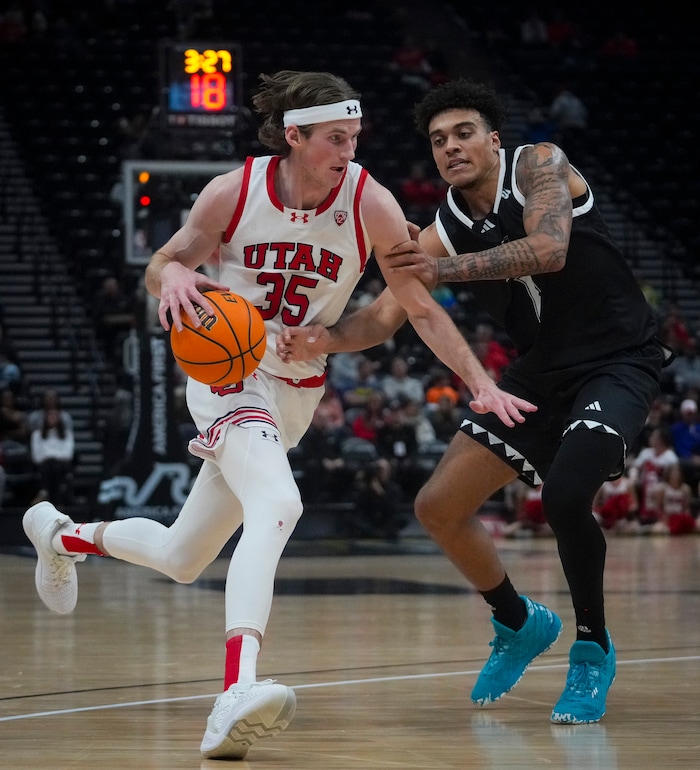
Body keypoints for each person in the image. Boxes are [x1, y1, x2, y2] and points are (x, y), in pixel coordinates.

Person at [22, 70, 533, 761]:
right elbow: (167, 263)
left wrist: (480, 382)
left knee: (183, 556)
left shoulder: (371, 203)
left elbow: (416, 306)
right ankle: (237, 689)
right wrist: (169, 273)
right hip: (225, 371)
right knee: (280, 505)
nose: (348, 151)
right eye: (334, 139)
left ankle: (61, 535)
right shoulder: (234, 190)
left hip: (296, 388)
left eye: (354, 137)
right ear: (294, 137)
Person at [279, 78, 672, 725]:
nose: (451, 147)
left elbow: (549, 249)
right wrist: (318, 339)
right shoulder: (446, 227)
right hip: (540, 374)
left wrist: (440, 271)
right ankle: (518, 622)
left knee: (567, 496)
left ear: (494, 139)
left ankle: (592, 648)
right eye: (438, 141)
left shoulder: (538, 164)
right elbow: (380, 321)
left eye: (463, 133)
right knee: (437, 506)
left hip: (617, 361)